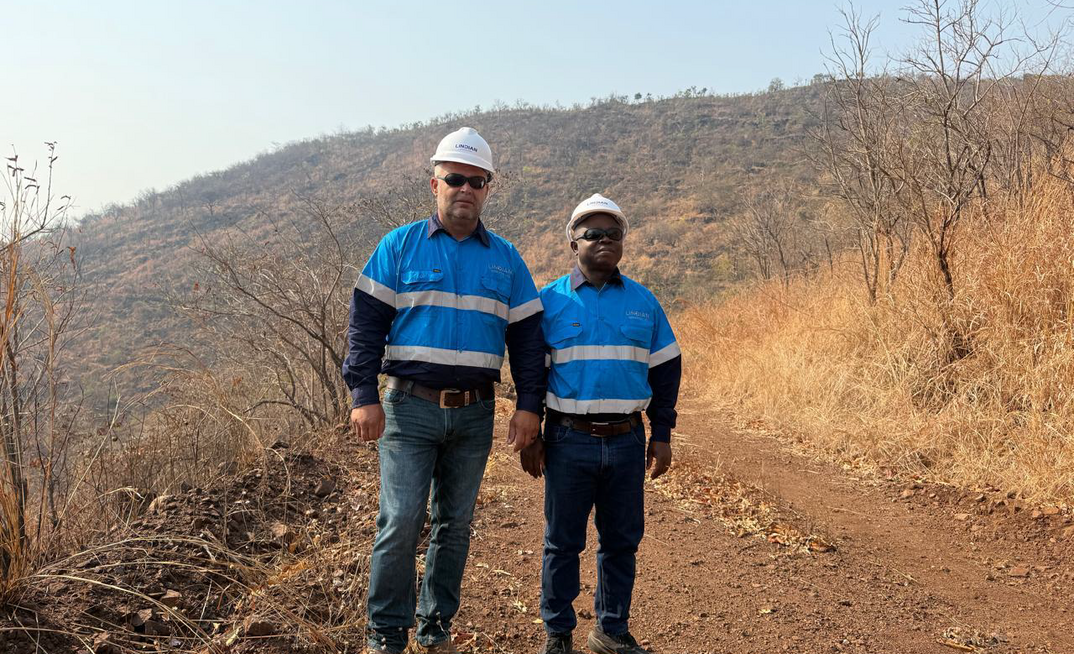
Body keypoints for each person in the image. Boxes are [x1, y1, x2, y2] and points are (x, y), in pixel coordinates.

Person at [343, 127, 545, 654]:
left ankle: (435, 632)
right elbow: (366, 325)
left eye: (476, 181)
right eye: (455, 178)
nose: (465, 188)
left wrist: (528, 409)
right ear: (434, 183)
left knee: (454, 527)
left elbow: (527, 342)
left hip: (475, 414)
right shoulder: (399, 246)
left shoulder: (505, 259)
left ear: (488, 189)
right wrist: (362, 394)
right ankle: (386, 635)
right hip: (408, 409)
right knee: (401, 522)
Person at [521, 194, 682, 654]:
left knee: (621, 542)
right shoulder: (548, 301)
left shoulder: (643, 302)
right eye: (592, 233)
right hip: (568, 439)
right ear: (573, 242)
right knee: (562, 543)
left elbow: (667, 368)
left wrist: (662, 434)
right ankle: (558, 634)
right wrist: (531, 434)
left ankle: (611, 630)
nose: (604, 241)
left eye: (613, 233)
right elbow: (533, 372)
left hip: (628, 440)